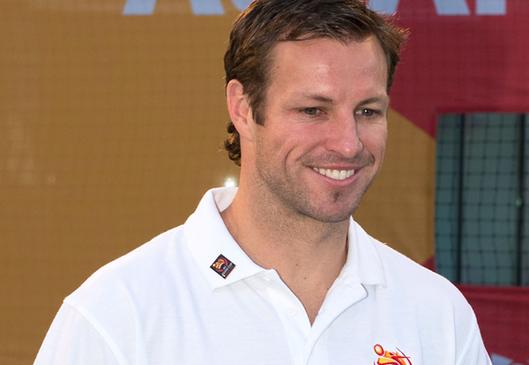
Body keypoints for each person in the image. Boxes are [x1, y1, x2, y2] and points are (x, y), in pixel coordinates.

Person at [35, 0, 491, 364]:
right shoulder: (117, 313)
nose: (348, 143)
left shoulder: (438, 314)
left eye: (368, 111)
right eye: (313, 110)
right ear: (242, 108)